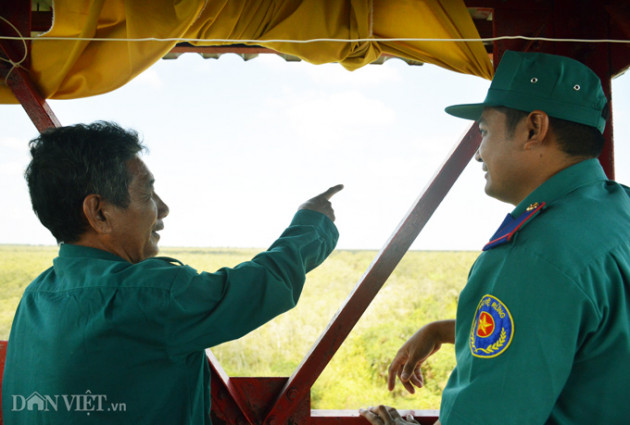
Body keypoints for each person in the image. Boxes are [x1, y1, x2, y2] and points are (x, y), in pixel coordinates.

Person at [2, 121, 342, 424]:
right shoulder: (149, 295)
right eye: (147, 193)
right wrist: (313, 222)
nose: (162, 208)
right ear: (99, 212)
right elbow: (263, 286)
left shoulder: (35, 297)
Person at [360, 50, 630, 425]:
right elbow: (590, 334)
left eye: (484, 131)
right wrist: (443, 330)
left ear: (534, 129)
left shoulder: (534, 254)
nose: (479, 155)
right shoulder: (618, 211)